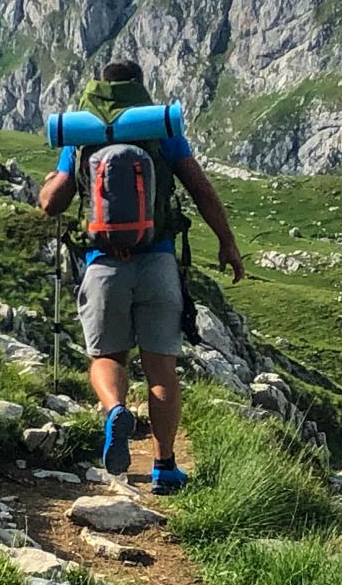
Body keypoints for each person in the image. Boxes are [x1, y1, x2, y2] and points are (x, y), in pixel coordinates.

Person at [38, 60, 245, 492]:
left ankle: (115, 409)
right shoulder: (159, 130)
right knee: (161, 369)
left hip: (103, 265)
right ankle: (165, 466)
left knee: (108, 357)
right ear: (139, 87)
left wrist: (51, 183)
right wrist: (227, 242)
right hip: (158, 263)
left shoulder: (83, 135)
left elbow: (51, 204)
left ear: (99, 86)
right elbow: (200, 188)